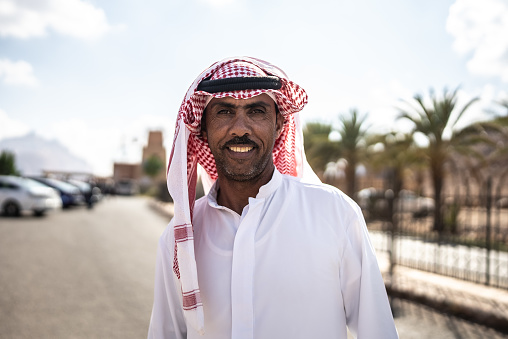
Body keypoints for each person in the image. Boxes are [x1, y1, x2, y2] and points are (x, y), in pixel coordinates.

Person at [148, 57, 398, 339]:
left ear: (279, 124)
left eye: (256, 111)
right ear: (203, 128)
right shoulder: (179, 240)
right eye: (224, 112)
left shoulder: (335, 215)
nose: (240, 128)